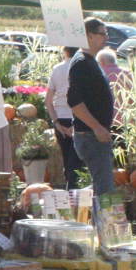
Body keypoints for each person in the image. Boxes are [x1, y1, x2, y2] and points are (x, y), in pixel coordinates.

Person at [67, 18, 115, 196]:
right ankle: (102, 224)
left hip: (94, 135)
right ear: (89, 36)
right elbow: (74, 102)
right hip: (90, 136)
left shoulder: (90, 61)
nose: (106, 38)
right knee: (105, 190)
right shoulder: (81, 63)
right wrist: (97, 128)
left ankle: (77, 206)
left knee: (100, 186)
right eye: (102, 34)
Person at [44, 46, 82, 188]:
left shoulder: (57, 69)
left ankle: (69, 192)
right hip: (78, 118)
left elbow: (48, 101)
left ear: (64, 51)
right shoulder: (81, 69)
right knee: (78, 163)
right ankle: (75, 194)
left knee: (67, 160)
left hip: (60, 117)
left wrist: (56, 122)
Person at [96, 48, 133, 128]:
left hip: (105, 121)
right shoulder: (128, 74)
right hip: (127, 120)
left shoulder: (98, 75)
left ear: (101, 61)